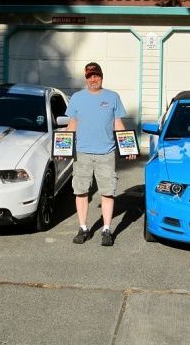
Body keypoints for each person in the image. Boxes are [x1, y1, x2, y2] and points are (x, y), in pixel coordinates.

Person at [64, 62, 136, 247]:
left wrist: (128, 148)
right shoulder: (77, 98)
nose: (93, 79)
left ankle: (106, 229)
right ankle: (83, 228)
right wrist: (62, 149)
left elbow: (118, 124)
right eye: (90, 76)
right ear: (86, 78)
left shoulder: (112, 97)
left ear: (101, 77)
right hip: (82, 153)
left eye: (96, 75)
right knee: (81, 191)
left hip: (106, 153)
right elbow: (72, 125)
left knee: (108, 191)